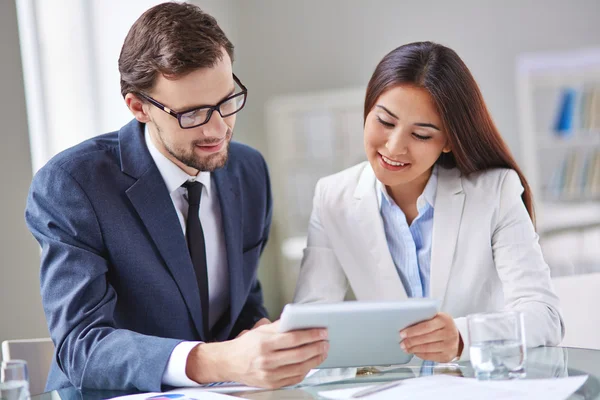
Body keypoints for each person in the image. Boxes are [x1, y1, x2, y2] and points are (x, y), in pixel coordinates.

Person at [25, 2, 328, 392]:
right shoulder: (72, 185)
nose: (218, 129)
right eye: (193, 114)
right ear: (139, 107)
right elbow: (82, 346)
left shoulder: (248, 171)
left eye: (226, 101)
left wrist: (265, 337)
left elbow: (240, 304)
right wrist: (215, 360)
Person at [293, 41, 564, 363]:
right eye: (385, 121)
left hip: (479, 384)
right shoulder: (332, 196)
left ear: (449, 140)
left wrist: (463, 337)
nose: (394, 147)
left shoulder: (495, 191)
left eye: (421, 135)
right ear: (367, 111)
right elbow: (313, 317)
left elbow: (544, 318)